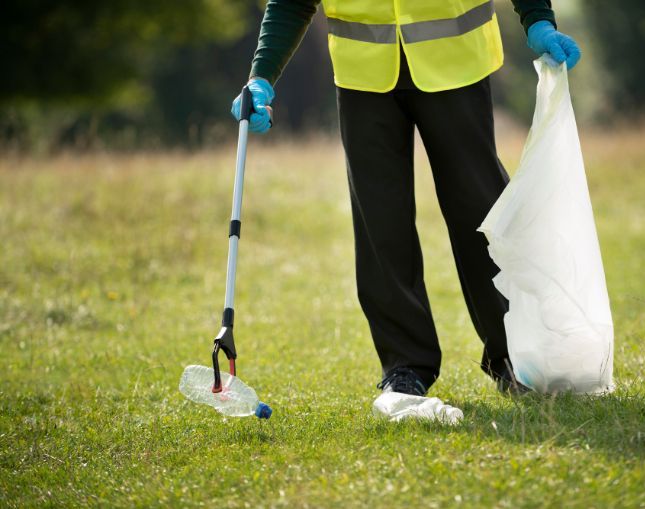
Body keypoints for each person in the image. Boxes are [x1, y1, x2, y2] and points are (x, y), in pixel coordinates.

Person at [231, 0, 581, 397]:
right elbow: (292, 3)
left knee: (481, 212)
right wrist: (262, 76)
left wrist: (536, 19)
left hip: (456, 65)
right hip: (363, 78)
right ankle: (405, 367)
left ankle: (515, 356)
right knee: (381, 224)